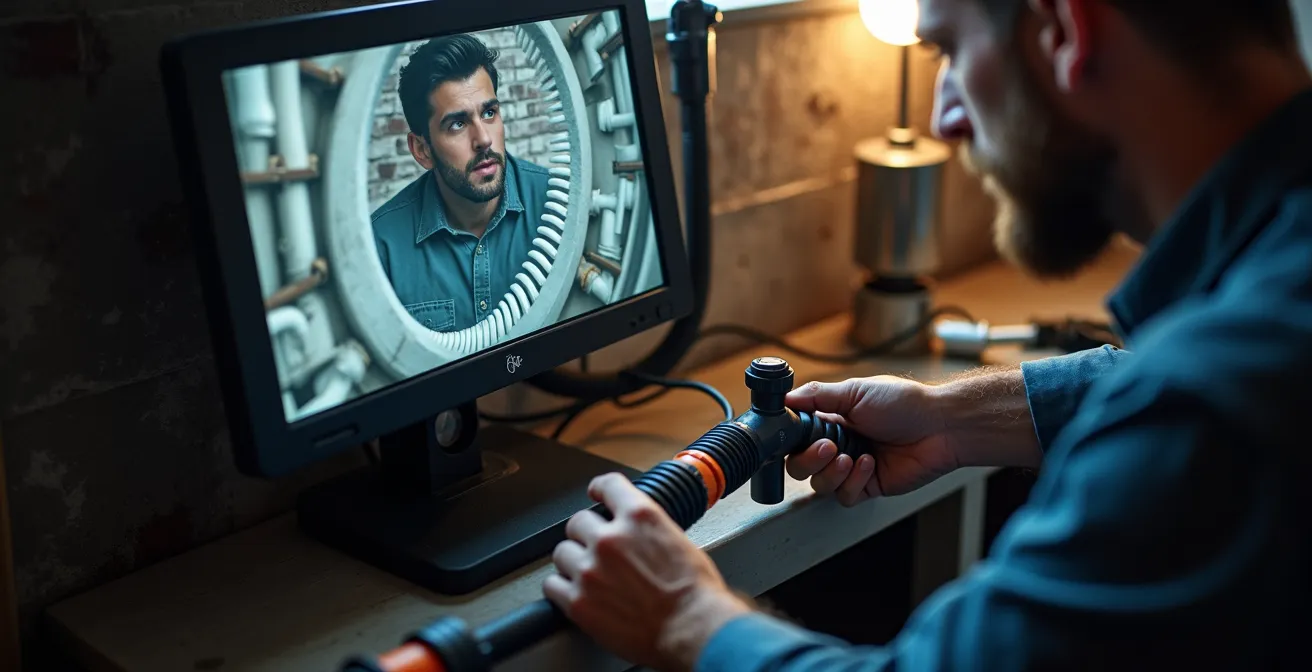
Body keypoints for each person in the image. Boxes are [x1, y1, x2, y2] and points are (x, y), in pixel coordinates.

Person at [542, 0, 1312, 669]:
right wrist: (955, 418)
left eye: (947, 48)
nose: (944, 116)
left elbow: (1201, 404)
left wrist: (682, 613)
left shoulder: (1222, 400)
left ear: (1065, 31)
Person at [372, 34, 554, 333]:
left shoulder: (556, 204)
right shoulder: (382, 247)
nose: (483, 139)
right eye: (457, 123)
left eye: (489, 113)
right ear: (422, 150)